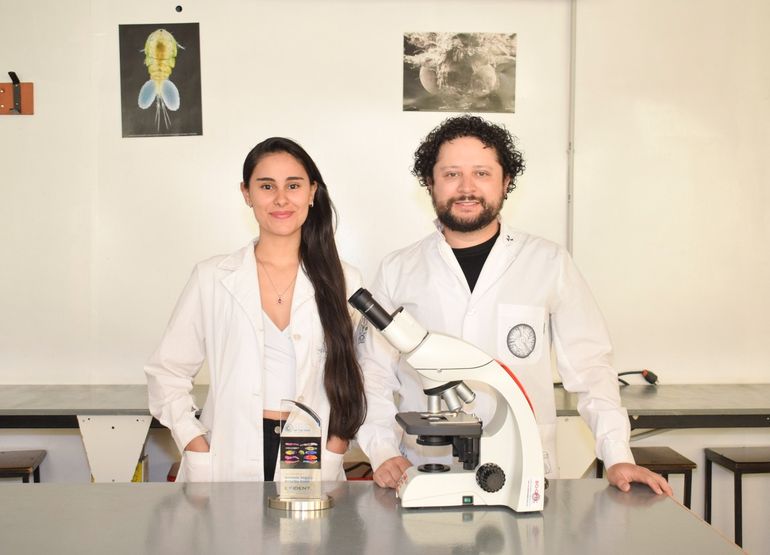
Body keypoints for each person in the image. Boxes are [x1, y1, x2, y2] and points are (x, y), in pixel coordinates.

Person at [355, 115, 672, 496]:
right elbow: (372, 374)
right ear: (430, 182)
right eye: (452, 173)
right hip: (423, 468)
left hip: (525, 468)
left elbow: (591, 369)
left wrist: (619, 455)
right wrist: (383, 451)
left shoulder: (549, 263)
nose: (467, 187)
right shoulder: (397, 269)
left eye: (482, 174)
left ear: (506, 182)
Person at [145, 137, 367, 482]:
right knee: (230, 537)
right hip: (227, 450)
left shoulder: (345, 280)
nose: (281, 198)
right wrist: (193, 441)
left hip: (311, 449)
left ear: (312, 192)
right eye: (266, 186)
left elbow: (360, 374)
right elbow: (166, 371)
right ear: (246, 194)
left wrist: (337, 445)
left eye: (293, 185)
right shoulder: (212, 278)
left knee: (306, 536)